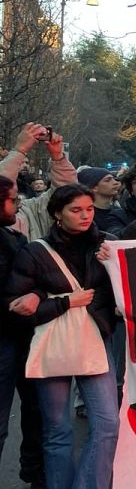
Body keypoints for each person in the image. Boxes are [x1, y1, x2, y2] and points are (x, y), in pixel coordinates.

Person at [7, 184, 119, 489]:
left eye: (90, 208)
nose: (85, 215)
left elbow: (118, 294)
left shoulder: (108, 245)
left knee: (108, 423)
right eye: (76, 209)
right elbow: (17, 305)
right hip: (52, 342)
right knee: (57, 429)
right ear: (57, 214)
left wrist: (115, 265)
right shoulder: (35, 251)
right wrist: (63, 301)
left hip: (95, 339)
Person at [0, 175, 45, 488]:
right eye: (13, 200)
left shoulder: (13, 236)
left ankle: (34, 472)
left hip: (25, 336)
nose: (18, 206)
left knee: (36, 410)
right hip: (5, 340)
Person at [78, 168, 129, 236]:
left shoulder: (118, 211)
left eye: (113, 179)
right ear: (94, 187)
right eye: (108, 180)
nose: (115, 182)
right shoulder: (86, 215)